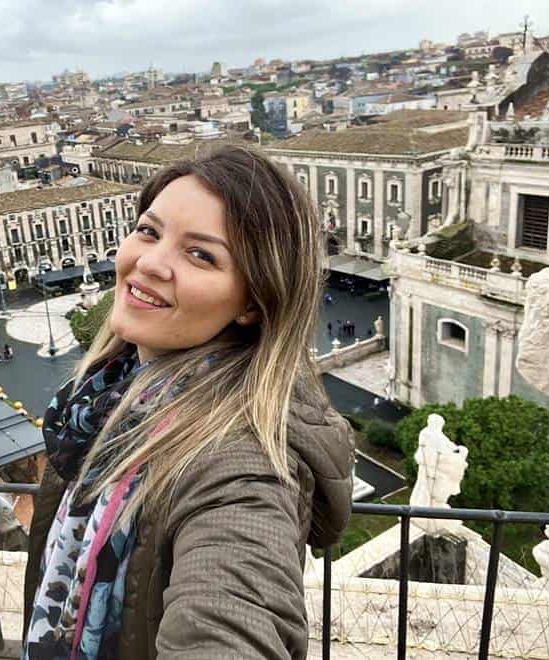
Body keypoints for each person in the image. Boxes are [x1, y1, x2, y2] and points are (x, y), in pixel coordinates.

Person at [23, 145, 355, 659]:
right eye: (149, 232)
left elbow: (235, 609)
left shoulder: (241, 464)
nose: (151, 262)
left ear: (253, 301)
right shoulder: (105, 404)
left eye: (201, 254)